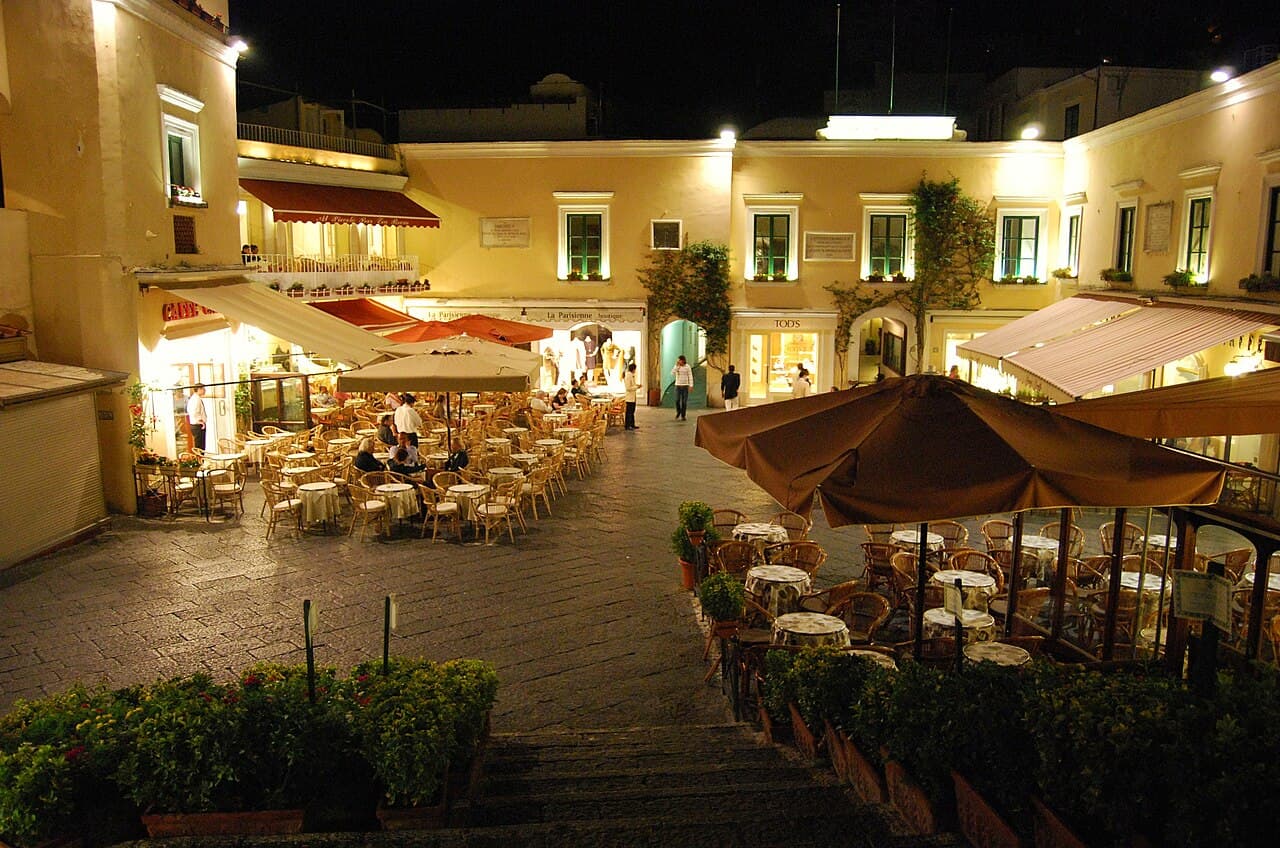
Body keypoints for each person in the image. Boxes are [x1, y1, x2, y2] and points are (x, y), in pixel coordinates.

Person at [186, 384, 207, 451]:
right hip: (197, 425)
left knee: (201, 446)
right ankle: (199, 460)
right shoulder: (195, 399)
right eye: (203, 389)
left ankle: (200, 460)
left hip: (196, 425)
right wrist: (201, 421)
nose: (205, 390)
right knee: (200, 447)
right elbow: (194, 412)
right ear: (199, 389)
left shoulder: (196, 398)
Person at [672, 355, 692, 420]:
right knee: (677, 400)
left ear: (683, 360)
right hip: (678, 386)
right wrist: (677, 366)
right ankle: (678, 412)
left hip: (685, 386)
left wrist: (691, 385)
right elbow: (672, 373)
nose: (678, 361)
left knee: (684, 401)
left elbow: (690, 376)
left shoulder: (687, 367)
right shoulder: (677, 366)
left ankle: (683, 415)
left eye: (679, 360)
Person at [623, 362, 640, 430]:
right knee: (629, 412)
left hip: (633, 397)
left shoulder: (632, 375)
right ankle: (628, 425)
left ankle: (632, 424)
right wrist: (636, 387)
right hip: (629, 397)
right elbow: (628, 387)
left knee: (632, 411)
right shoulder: (628, 376)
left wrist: (636, 386)